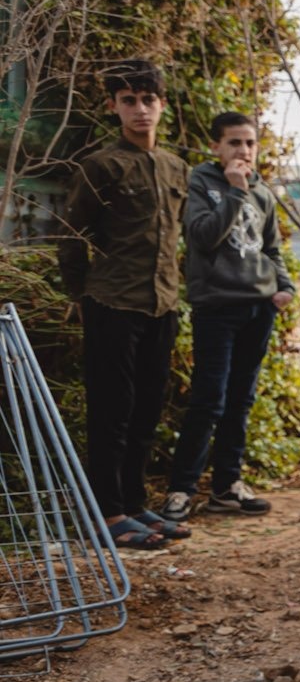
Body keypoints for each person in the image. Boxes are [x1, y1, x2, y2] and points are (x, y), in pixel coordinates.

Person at [56, 59, 189, 552]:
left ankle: (134, 504)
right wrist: (80, 298)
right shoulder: (100, 166)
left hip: (162, 305)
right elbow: (71, 239)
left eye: (148, 99)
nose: (140, 109)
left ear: (162, 105)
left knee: (146, 411)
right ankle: (107, 514)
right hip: (112, 303)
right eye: (128, 100)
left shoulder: (176, 167)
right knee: (111, 412)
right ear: (113, 106)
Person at [161, 111, 293, 523]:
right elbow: (202, 237)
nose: (244, 150)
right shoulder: (202, 183)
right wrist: (235, 191)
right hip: (217, 306)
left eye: (250, 143)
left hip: (259, 308)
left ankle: (226, 486)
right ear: (215, 146)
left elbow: (271, 248)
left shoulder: (263, 191)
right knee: (209, 401)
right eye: (235, 142)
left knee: (241, 401)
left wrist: (284, 287)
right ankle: (181, 488)